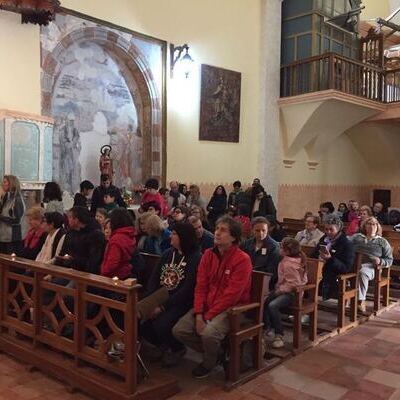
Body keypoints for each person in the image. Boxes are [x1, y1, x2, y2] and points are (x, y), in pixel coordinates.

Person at [173, 216, 252, 378]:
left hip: (233, 309)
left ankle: (208, 362)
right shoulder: (208, 255)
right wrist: (199, 313)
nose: (217, 233)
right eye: (217, 229)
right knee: (179, 330)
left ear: (234, 237)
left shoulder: (242, 260)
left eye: (223, 230)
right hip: (208, 305)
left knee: (208, 333)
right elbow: (200, 286)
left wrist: (207, 317)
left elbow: (232, 295)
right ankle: (218, 354)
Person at [139, 223, 202, 367]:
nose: (170, 236)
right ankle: (162, 344)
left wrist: (162, 307)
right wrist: (151, 301)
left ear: (183, 237)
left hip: (180, 301)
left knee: (162, 323)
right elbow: (154, 279)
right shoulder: (168, 253)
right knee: (141, 319)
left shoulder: (195, 257)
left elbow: (187, 289)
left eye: (174, 234)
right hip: (161, 297)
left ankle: (177, 348)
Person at [263, 237, 308, 348]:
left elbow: (294, 284)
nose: (279, 249)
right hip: (284, 290)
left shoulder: (289, 264)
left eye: (281, 248)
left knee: (273, 305)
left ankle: (279, 335)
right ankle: (267, 327)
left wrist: (279, 291)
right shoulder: (287, 260)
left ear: (287, 251)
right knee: (264, 299)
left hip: (293, 294)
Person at [350, 217, 393, 313]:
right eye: (369, 224)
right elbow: (345, 245)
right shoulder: (356, 237)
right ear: (364, 226)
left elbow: (389, 260)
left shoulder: (382, 241)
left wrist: (380, 261)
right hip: (354, 264)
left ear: (377, 227)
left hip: (372, 267)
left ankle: (360, 301)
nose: (371, 226)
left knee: (362, 272)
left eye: (374, 224)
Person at [312, 216, 355, 300]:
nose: (328, 232)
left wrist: (330, 259)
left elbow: (346, 268)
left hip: (335, 273)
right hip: (320, 269)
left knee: (325, 275)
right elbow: (313, 254)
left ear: (338, 229)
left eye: (331, 229)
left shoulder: (346, 244)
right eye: (326, 229)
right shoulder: (323, 239)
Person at [57, 206, 106, 275]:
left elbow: (93, 263)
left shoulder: (95, 235)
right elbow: (62, 253)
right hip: (68, 270)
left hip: (84, 275)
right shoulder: (70, 233)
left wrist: (73, 260)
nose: (67, 220)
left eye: (70, 217)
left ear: (76, 220)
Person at [241, 216, 280, 283]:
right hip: (245, 277)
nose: (261, 233)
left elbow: (272, 271)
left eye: (263, 230)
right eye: (257, 230)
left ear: (267, 230)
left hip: (263, 281)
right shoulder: (246, 244)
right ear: (252, 230)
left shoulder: (274, 247)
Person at [101, 209, 136, 279]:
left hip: (114, 277)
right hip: (125, 273)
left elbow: (112, 263)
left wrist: (103, 273)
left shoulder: (116, 239)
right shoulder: (128, 234)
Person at [0, 175, 25, 254]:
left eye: (5, 182)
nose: (2, 184)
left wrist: (1, 217)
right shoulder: (7, 197)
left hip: (13, 237)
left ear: (11, 183)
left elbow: (17, 220)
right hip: (3, 236)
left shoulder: (17, 200)